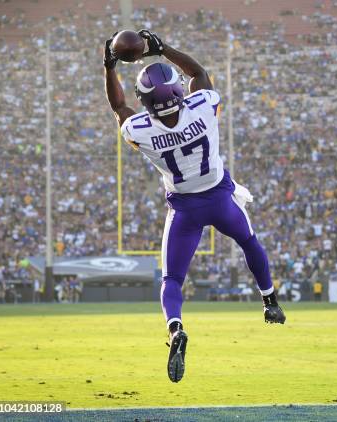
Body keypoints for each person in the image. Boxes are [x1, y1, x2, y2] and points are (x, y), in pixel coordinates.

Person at [103, 30, 286, 383]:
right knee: (249, 243)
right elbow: (199, 75)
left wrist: (109, 66)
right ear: (177, 92)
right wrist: (162, 48)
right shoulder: (203, 108)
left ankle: (176, 329)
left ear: (146, 101)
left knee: (172, 278)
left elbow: (118, 107)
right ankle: (269, 301)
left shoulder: (140, 130)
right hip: (220, 198)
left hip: (185, 210)